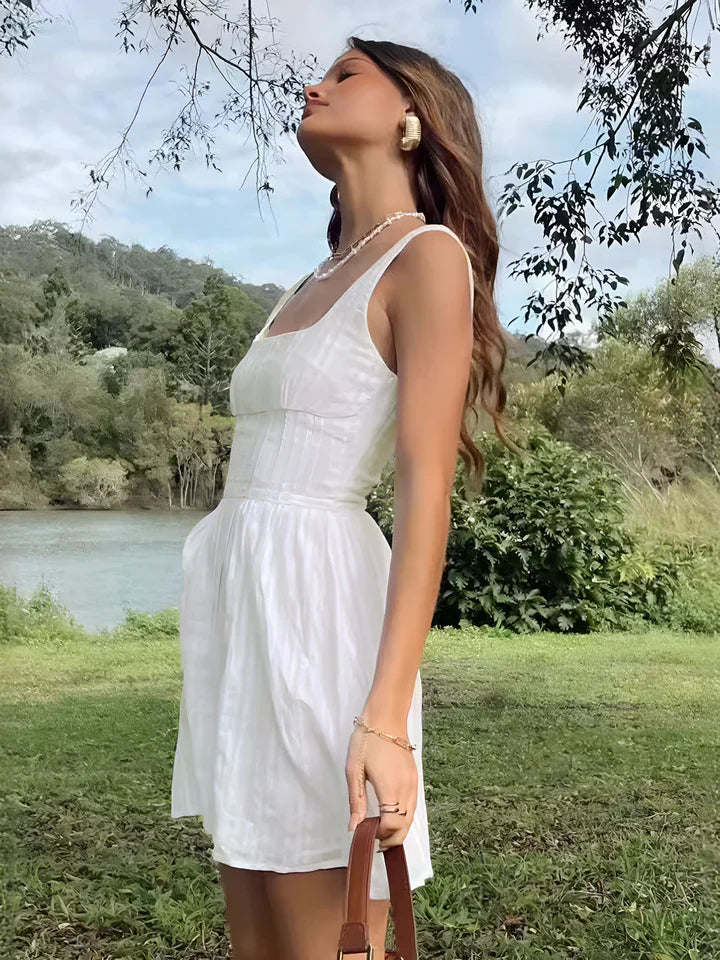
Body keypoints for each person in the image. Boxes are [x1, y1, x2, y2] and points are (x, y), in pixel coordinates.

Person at [171, 35, 510, 960]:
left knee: (326, 929)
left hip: (319, 612)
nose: (313, 85)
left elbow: (425, 491)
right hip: (246, 616)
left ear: (412, 117)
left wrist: (385, 719)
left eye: (346, 73)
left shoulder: (427, 256)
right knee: (256, 929)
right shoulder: (314, 277)